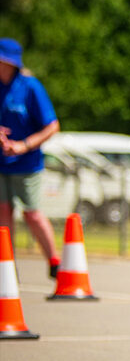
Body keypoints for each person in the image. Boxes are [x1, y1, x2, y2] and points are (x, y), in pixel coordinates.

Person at [0, 38, 60, 277]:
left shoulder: (30, 87)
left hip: (26, 164)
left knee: (32, 213)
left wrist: (23, 145)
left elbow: (52, 126)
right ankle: (7, 267)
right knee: (3, 212)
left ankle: (55, 263)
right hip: (1, 164)